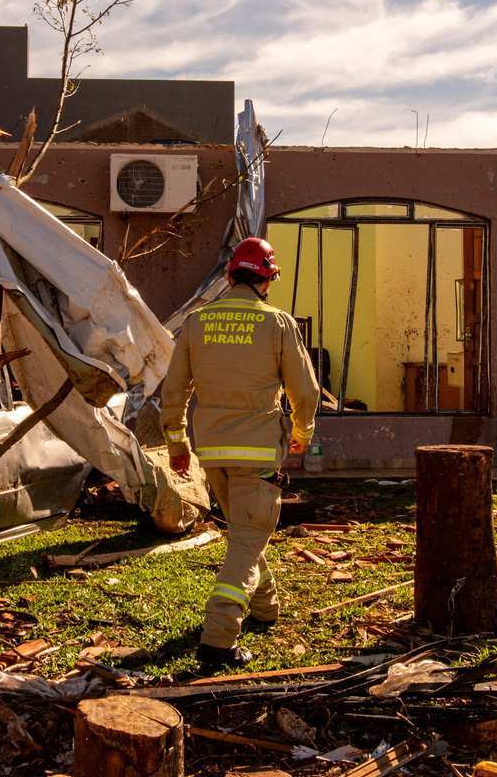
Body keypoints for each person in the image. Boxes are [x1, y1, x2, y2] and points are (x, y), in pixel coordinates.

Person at [161, 236, 321, 668]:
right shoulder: (278, 324)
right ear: (266, 280)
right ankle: (218, 638)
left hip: (213, 451)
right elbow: (304, 393)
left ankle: (266, 608)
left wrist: (177, 443)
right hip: (257, 451)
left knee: (246, 534)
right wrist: (302, 435)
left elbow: (173, 392)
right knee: (250, 535)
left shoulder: (196, 322)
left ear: (231, 275)